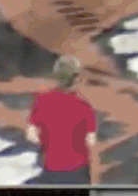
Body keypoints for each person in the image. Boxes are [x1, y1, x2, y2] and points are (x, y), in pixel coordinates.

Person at [26, 56, 99, 184]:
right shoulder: (84, 106)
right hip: (78, 171)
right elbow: (91, 141)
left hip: (51, 169)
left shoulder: (42, 101)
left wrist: (48, 142)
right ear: (76, 78)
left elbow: (31, 136)